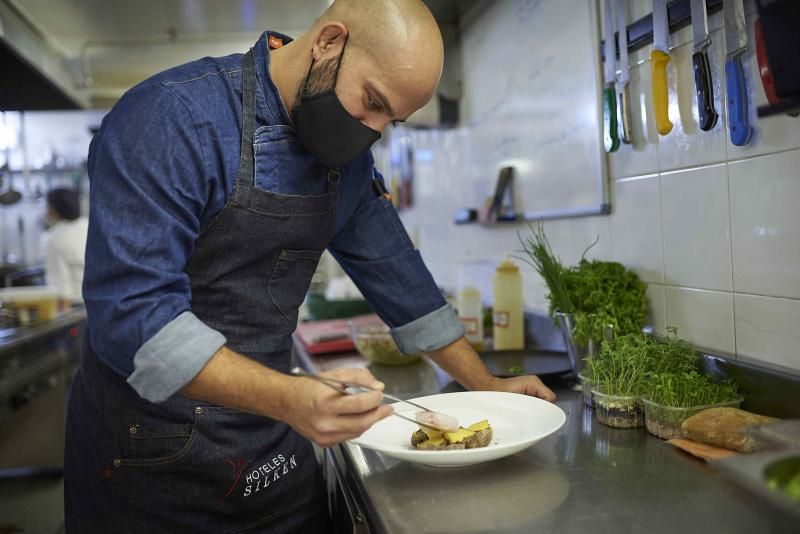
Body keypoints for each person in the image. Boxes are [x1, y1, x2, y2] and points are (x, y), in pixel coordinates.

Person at [64, 0, 556, 531]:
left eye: (390, 121)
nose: (371, 131)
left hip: (277, 452)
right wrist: (288, 396)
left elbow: (400, 278)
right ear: (328, 41)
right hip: (153, 462)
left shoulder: (346, 156)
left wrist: (485, 384)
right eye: (371, 102)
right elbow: (132, 319)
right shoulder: (171, 119)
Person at [40, 188, 88, 303]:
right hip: (101, 301)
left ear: (52, 209)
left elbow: (60, 287)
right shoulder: (90, 225)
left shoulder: (53, 238)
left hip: (76, 305)